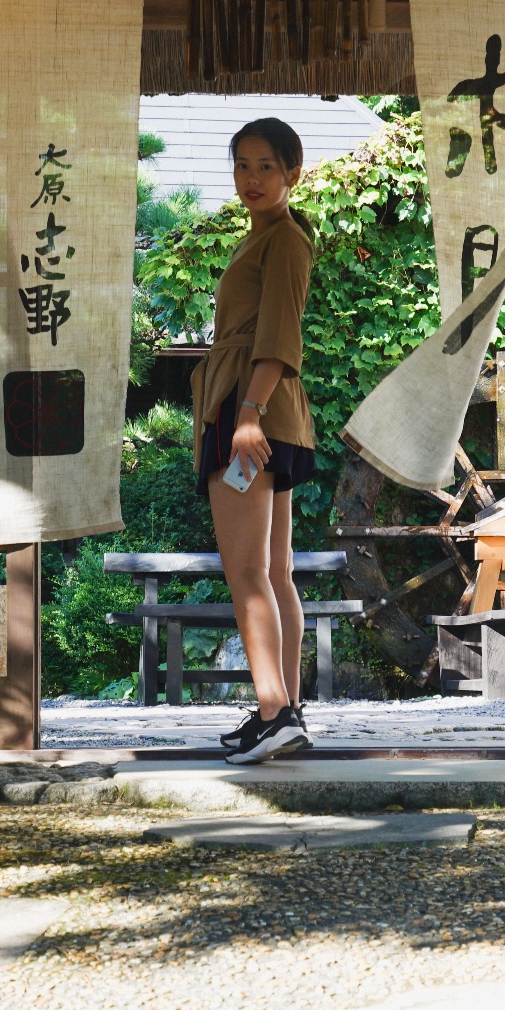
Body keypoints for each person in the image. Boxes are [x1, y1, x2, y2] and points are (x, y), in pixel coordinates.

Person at [189, 118, 319, 764]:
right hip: (262, 411)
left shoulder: (286, 242)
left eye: (266, 166)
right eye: (242, 165)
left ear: (292, 172)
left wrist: (245, 414)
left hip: (253, 413)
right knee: (272, 570)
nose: (252, 179)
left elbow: (277, 340)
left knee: (247, 569)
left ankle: (274, 708)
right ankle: (285, 711)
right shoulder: (264, 238)